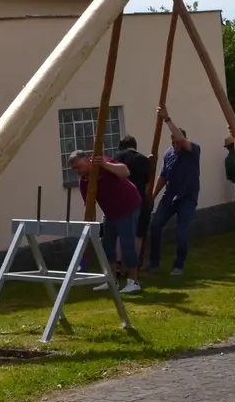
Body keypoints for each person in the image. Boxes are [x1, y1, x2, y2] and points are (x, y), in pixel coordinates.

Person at [68, 150, 144, 293]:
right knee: (106, 244)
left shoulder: (102, 161)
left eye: (78, 167)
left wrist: (105, 164)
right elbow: (89, 206)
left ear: (87, 161)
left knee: (127, 243)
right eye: (74, 169)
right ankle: (111, 280)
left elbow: (125, 172)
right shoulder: (84, 182)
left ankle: (133, 281)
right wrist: (90, 226)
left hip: (128, 206)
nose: (77, 171)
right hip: (110, 212)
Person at [146, 108, 202, 276]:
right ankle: (154, 262)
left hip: (187, 198)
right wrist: (152, 196)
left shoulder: (193, 150)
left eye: (178, 141)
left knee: (181, 230)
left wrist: (167, 119)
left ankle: (179, 265)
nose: (175, 144)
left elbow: (181, 140)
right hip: (169, 197)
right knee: (155, 226)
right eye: (173, 141)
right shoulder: (168, 154)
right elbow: (162, 177)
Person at [112, 136, 154, 264]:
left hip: (118, 200)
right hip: (138, 200)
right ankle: (134, 264)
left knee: (120, 233)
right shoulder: (142, 159)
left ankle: (118, 262)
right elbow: (147, 185)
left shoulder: (115, 159)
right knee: (139, 233)